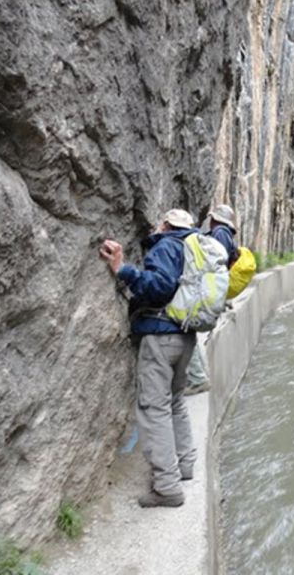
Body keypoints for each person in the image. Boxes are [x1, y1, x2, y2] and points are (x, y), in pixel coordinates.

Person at [98, 208, 198, 508]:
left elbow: (160, 286)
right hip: (185, 336)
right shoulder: (194, 249)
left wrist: (122, 269)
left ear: (166, 225)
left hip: (160, 335)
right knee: (176, 401)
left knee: (154, 408)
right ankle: (185, 464)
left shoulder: (167, 244)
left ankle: (167, 487)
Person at [184, 204, 241, 395]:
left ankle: (198, 378)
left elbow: (216, 261)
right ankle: (199, 376)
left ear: (215, 218)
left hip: (211, 287)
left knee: (188, 327)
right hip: (217, 287)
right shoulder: (225, 234)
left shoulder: (219, 234)